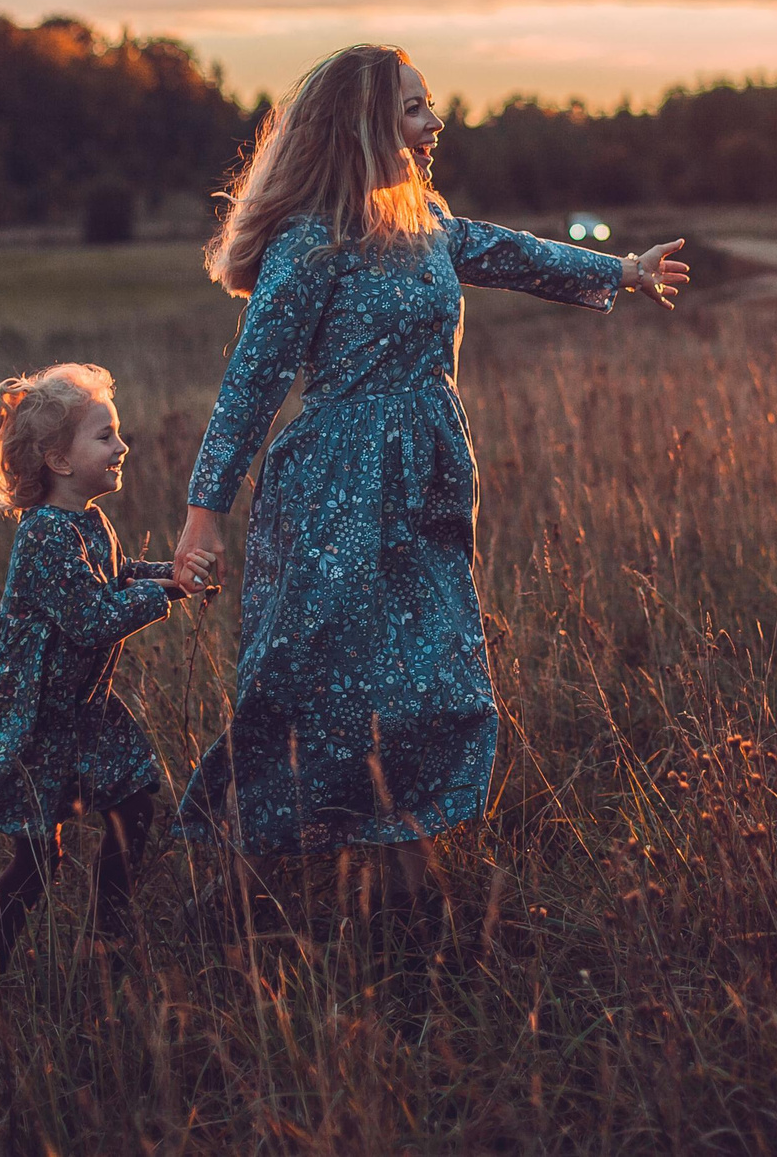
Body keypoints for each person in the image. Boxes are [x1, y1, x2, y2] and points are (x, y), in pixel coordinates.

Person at [167, 44, 691, 913]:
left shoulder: (429, 225)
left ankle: (413, 898)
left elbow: (516, 255)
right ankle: (238, 878)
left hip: (427, 483)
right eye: (415, 109)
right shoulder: (313, 242)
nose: (434, 123)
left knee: (427, 677)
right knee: (307, 676)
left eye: (429, 106)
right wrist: (203, 515)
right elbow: (252, 381)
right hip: (334, 486)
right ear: (368, 124)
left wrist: (622, 271)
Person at [0, 363, 212, 987]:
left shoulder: (85, 523)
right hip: (42, 722)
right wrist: (165, 595)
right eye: (105, 436)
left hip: (85, 712)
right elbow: (89, 617)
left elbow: (117, 574)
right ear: (57, 460)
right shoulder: (45, 537)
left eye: (117, 433)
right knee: (37, 858)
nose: (122, 446)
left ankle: (107, 939)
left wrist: (173, 572)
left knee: (132, 806)